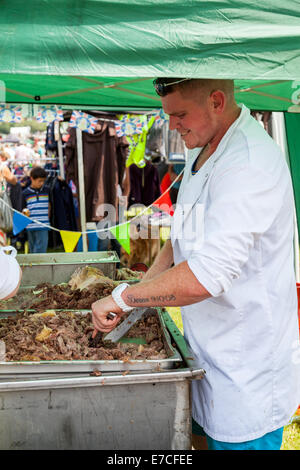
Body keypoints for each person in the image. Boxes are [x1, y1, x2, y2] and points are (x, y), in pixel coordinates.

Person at [91, 78, 299, 451]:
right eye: (168, 115)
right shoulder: (202, 149)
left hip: (245, 370)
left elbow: (207, 276)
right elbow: (182, 237)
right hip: (205, 352)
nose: (173, 125)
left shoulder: (248, 164)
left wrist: (125, 299)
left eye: (181, 114)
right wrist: (137, 299)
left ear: (217, 101)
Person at [22, 166, 50, 253]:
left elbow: (50, 205)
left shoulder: (47, 190)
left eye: (43, 181)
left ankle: (38, 265)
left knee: (40, 248)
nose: (42, 183)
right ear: (31, 179)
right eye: (39, 181)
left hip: (43, 225)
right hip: (30, 225)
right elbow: (23, 208)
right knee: (32, 247)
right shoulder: (25, 193)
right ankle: (33, 265)